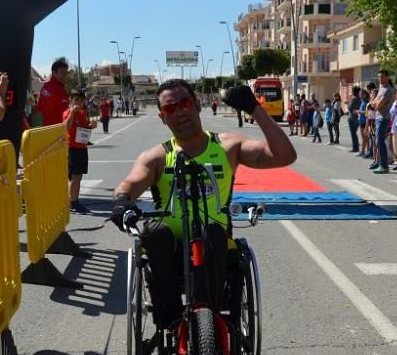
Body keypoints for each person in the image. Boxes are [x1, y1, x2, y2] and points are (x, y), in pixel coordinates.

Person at [110, 80, 296, 330]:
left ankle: (211, 320)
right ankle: (171, 319)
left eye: (184, 103)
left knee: (210, 232)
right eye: (170, 109)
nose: (179, 112)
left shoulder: (227, 146)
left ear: (197, 105)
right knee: (154, 232)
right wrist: (122, 201)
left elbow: (285, 155)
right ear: (162, 117)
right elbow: (130, 183)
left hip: (214, 242)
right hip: (170, 246)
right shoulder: (156, 157)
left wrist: (254, 108)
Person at [64, 89, 97, 214]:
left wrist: (90, 126)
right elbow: (66, 127)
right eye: (76, 100)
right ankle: (73, 202)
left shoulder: (83, 113)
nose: (79, 103)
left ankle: (74, 200)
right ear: (71, 101)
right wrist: (72, 112)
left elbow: (84, 128)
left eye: (81, 101)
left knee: (78, 177)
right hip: (72, 148)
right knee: (75, 177)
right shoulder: (68, 112)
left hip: (82, 148)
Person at [371, 70, 394, 173]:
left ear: (387, 77)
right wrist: (376, 103)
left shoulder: (389, 90)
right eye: (379, 77)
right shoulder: (381, 88)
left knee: (380, 141)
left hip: (384, 118)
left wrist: (377, 103)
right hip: (378, 117)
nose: (380, 79)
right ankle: (382, 163)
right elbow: (373, 103)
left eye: (382, 76)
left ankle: (384, 165)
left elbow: (378, 105)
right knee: (378, 141)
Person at [347, 85, 362, 152]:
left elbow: (350, 108)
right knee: (355, 133)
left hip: (352, 118)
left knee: (353, 133)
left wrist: (348, 104)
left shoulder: (353, 99)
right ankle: (356, 147)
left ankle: (355, 147)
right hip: (358, 118)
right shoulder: (360, 99)